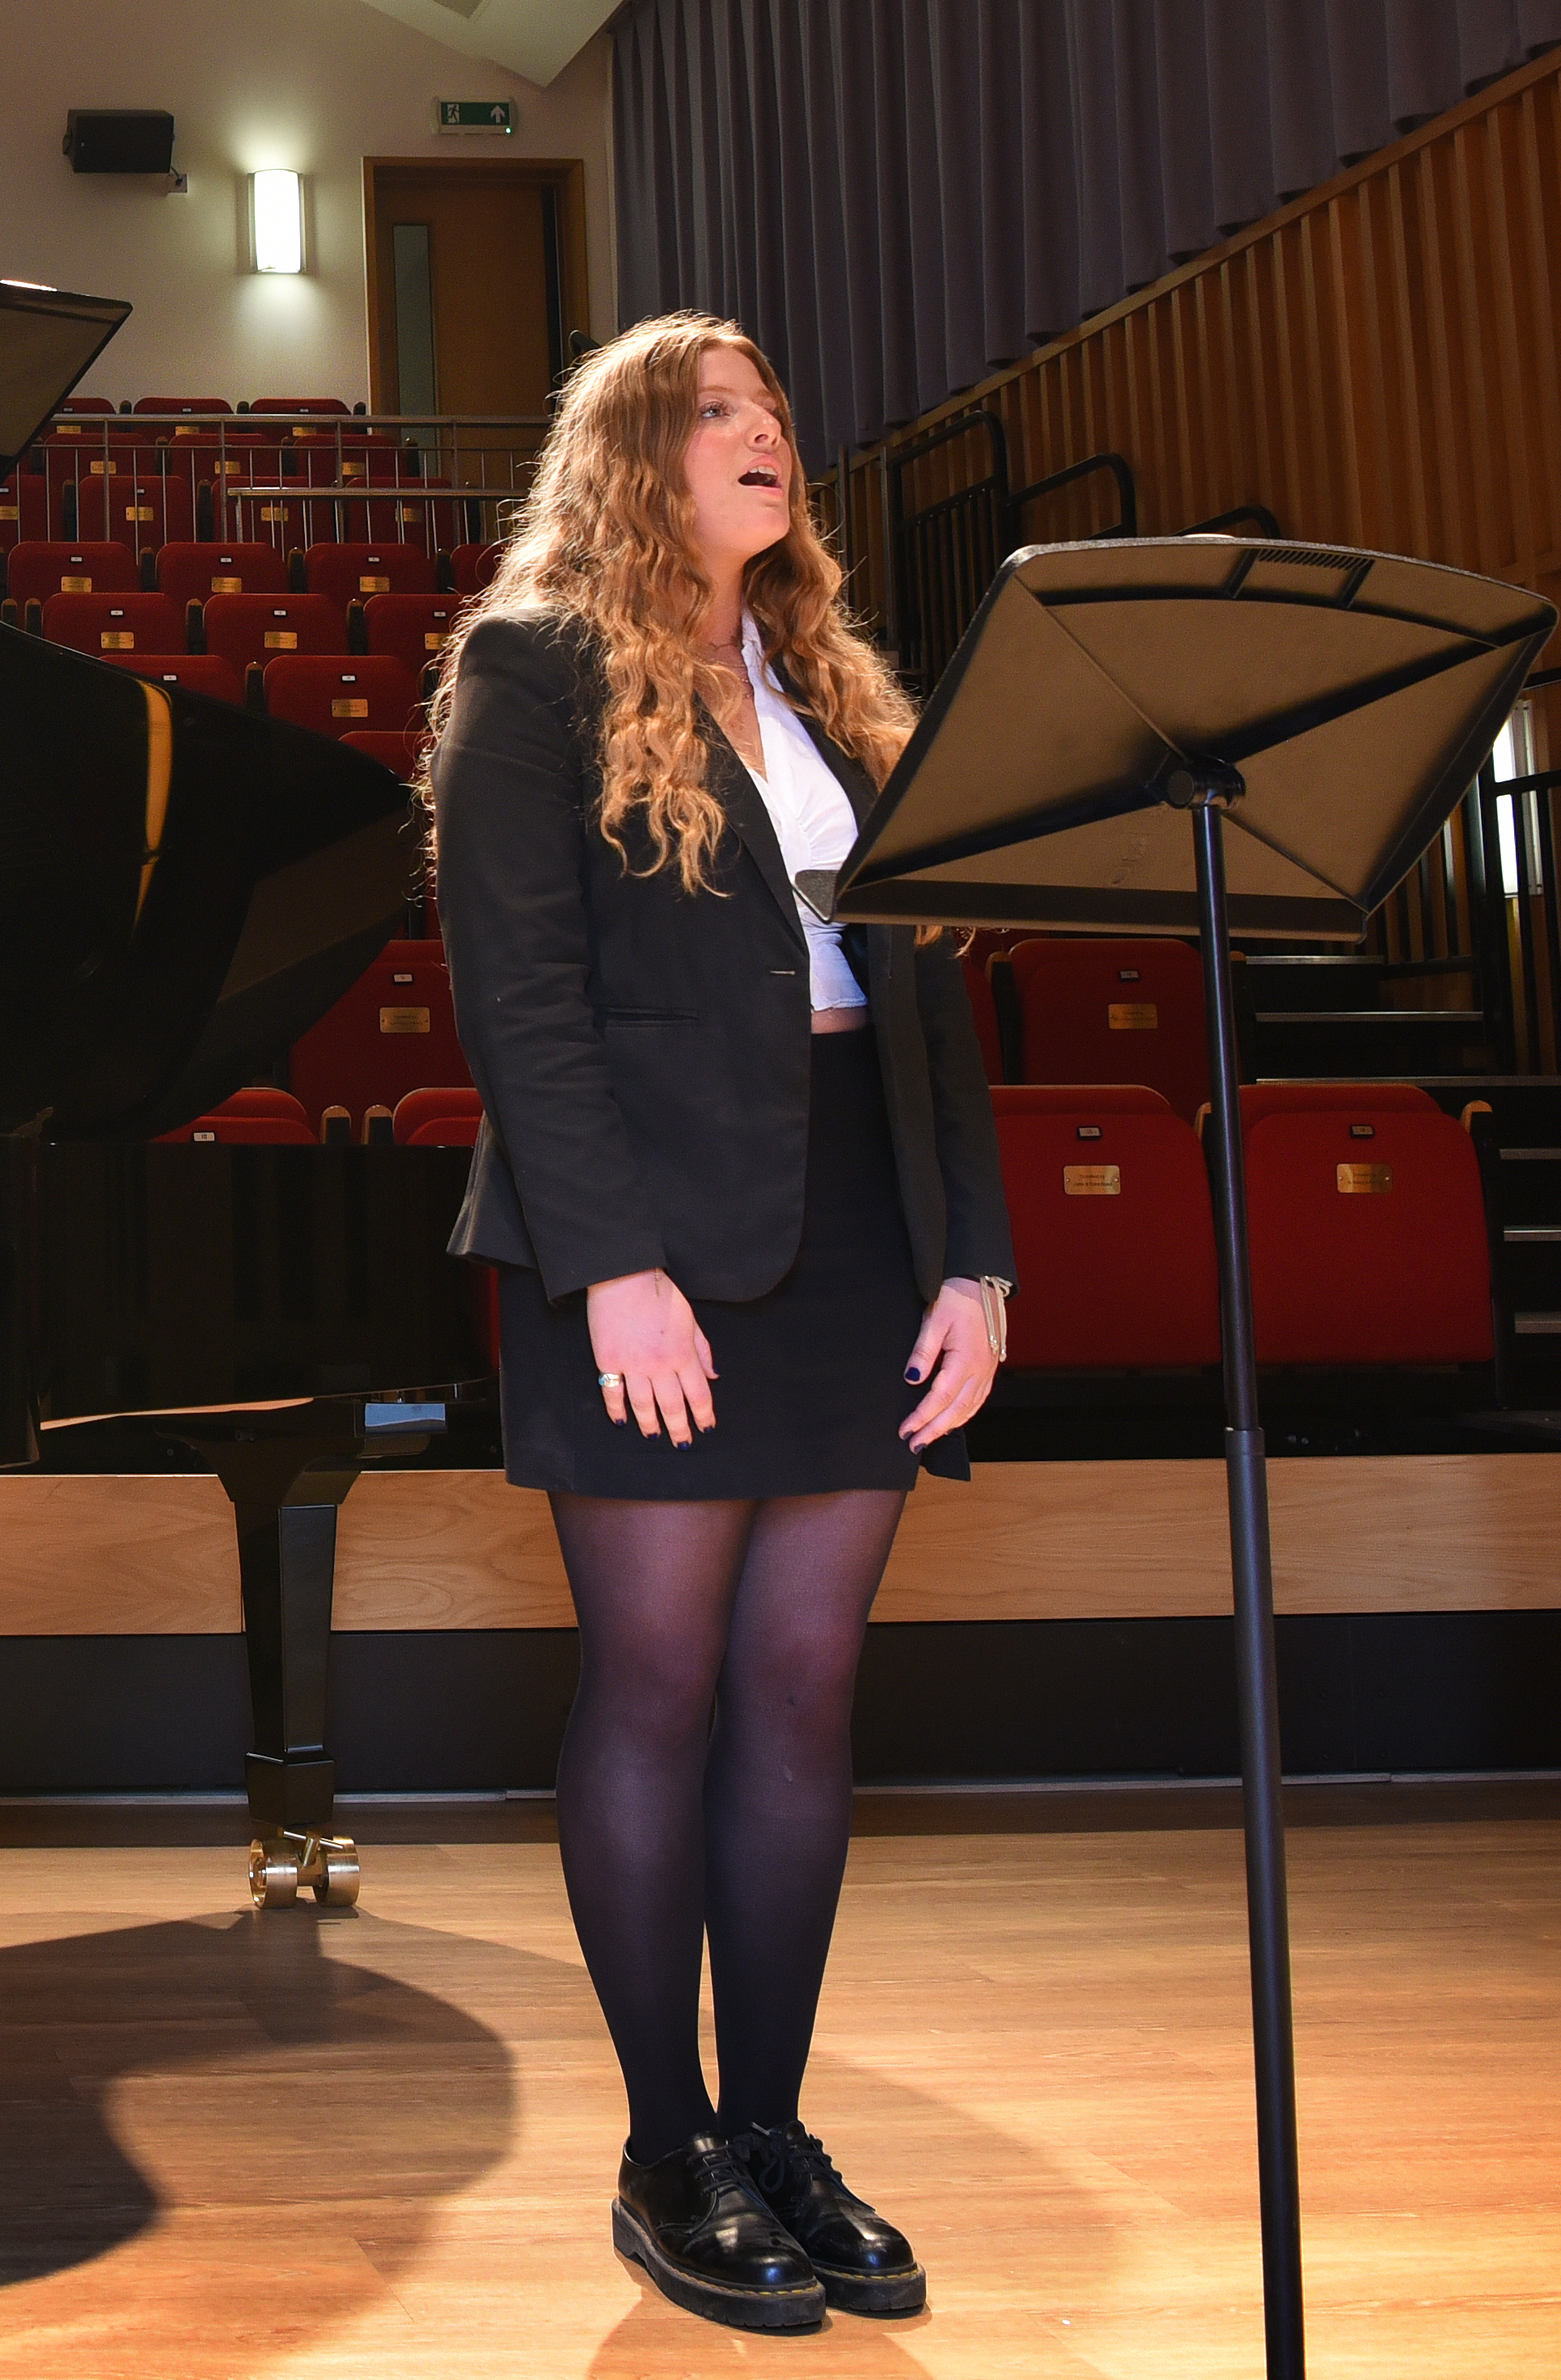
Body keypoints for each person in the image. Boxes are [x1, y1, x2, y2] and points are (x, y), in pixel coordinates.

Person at [427, 314, 1012, 2336]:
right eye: (715, 414)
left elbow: (930, 991)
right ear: (625, 457)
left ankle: (771, 2128)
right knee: (660, 1680)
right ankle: (662, 2141)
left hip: (859, 1221)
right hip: (646, 1240)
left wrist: (978, 1259)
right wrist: (606, 1266)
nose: (761, 435)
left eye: (770, 411)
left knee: (801, 1690)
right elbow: (514, 999)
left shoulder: (841, 689)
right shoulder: (529, 671)